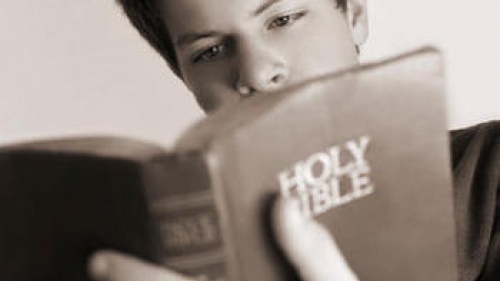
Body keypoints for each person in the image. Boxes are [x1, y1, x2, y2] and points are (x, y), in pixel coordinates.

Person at [88, 0, 499, 280]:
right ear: (185, 78)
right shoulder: (189, 248)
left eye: (282, 19)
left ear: (353, 13)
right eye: (210, 52)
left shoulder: (490, 169)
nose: (256, 72)